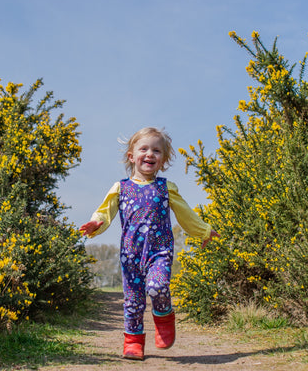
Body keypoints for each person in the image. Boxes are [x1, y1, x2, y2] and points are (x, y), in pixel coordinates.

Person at [79, 126, 219, 361]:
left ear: (162, 160)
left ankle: (164, 317)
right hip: (130, 255)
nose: (150, 154)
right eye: (143, 149)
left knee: (157, 286)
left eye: (156, 150)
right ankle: (133, 340)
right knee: (133, 300)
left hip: (159, 252)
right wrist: (96, 223)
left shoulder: (166, 188)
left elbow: (186, 214)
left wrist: (204, 231)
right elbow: (105, 213)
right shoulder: (120, 188)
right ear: (132, 156)